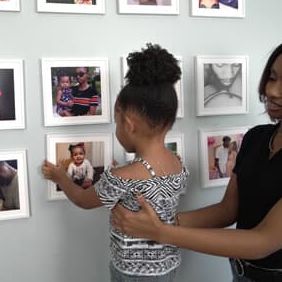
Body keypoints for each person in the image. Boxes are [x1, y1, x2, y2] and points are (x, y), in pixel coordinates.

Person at [111, 44, 282, 282]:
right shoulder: (256, 138)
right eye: (272, 78)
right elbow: (228, 210)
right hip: (241, 273)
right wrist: (160, 220)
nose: (273, 90)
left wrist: (160, 231)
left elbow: (263, 241)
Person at [42, 44, 189, 281]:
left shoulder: (122, 177)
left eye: (117, 122)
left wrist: (60, 177)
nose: (117, 128)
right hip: (169, 268)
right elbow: (152, 185)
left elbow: (82, 200)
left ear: (129, 125)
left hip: (132, 274)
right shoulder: (178, 164)